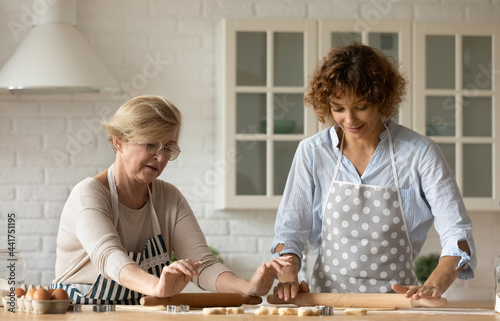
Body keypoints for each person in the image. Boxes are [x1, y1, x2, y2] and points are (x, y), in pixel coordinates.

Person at [271, 43, 476, 301]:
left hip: (396, 308)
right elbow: (290, 234)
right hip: (328, 306)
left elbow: (458, 234)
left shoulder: (419, 153)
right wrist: (287, 277)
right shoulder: (313, 153)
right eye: (338, 108)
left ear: (381, 99)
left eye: (361, 106)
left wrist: (433, 284)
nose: (349, 120)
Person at [52, 95, 291, 304]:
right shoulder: (89, 194)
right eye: (150, 144)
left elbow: (203, 264)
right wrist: (157, 287)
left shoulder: (169, 198)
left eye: (168, 148)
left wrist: (248, 287)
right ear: (118, 142)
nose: (160, 157)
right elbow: (109, 257)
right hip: (80, 312)